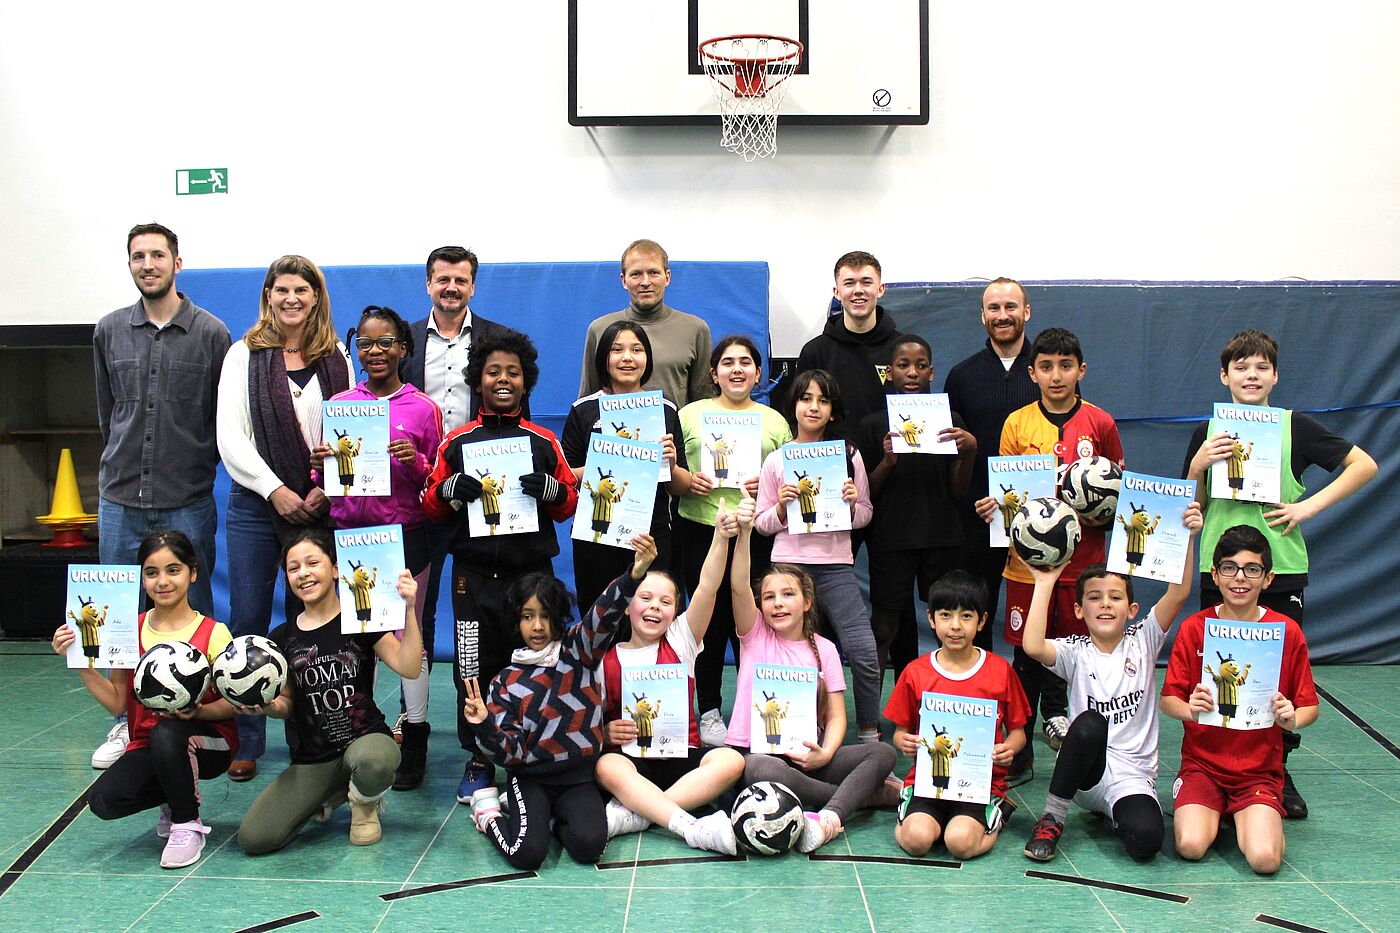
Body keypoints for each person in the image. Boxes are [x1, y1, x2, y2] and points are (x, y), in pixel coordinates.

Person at [1182, 328, 1375, 818]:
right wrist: (1196, 469)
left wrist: (1307, 508)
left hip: (1281, 568)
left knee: (1276, 679)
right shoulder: (1207, 433)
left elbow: (1364, 465)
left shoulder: (1295, 427)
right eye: (1241, 367)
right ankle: (1211, 773)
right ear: (1224, 376)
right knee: (1219, 676)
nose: (1252, 375)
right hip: (1218, 571)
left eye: (1261, 367)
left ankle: (1276, 773)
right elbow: (1191, 508)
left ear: (1275, 376)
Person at [90, 223, 231, 770]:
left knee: (195, 615)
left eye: (157, 255)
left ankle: (205, 719)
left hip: (187, 497)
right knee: (121, 617)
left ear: (177, 262)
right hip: (120, 497)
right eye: (137, 256)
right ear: (130, 264)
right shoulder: (107, 332)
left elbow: (219, 421)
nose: (147, 264)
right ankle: (125, 721)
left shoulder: (211, 333)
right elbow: (109, 414)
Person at [422, 329, 578, 804]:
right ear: (478, 380)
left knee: (536, 659)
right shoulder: (457, 440)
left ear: (526, 380)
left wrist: (552, 492)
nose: (503, 379)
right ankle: (480, 755)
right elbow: (430, 501)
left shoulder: (544, 440)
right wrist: (449, 493)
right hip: (472, 578)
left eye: (512, 372)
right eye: (493, 372)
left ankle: (535, 746)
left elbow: (569, 501)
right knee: (473, 665)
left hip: (530, 576)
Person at [216, 255, 352, 782]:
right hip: (257, 504)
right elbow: (230, 438)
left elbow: (349, 430)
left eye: (302, 289)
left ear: (316, 297)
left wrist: (321, 489)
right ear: (268, 296)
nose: (291, 298)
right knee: (249, 622)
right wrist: (276, 491)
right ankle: (247, 738)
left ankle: (313, 736)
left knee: (313, 627)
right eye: (281, 289)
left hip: (319, 509)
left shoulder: (337, 356)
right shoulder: (241, 357)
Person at [974, 326, 1124, 776]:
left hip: (1085, 569)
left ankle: (1076, 732)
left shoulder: (1101, 423)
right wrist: (994, 506)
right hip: (1027, 565)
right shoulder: (1017, 423)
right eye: (1046, 367)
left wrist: (1100, 511)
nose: (1056, 376)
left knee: (1077, 649)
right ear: (1032, 372)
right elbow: (1006, 493)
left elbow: (1119, 492)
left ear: (1081, 370)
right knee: (1025, 652)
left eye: (1065, 366)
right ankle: (1019, 744)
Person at [1019, 503, 1202, 864]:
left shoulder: (1145, 639)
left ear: (1131, 610)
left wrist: (1188, 537)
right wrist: (1044, 582)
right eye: (1094, 598)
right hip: (1089, 772)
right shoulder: (1075, 651)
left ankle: (1114, 816)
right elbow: (1033, 646)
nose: (1105, 605)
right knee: (1088, 724)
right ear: (1078, 611)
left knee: (1147, 842)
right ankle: (1053, 816)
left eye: (1115, 598)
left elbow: (1178, 593)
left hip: (1133, 776)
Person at [463, 536, 659, 869]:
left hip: (579, 778)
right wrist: (484, 723)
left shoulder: (578, 650)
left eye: (545, 615)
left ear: (558, 616)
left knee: (589, 847)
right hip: (531, 778)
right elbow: (507, 752)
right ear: (517, 621)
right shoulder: (506, 682)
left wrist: (635, 573)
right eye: (527, 616)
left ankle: (547, 822)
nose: (537, 626)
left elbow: (604, 612)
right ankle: (489, 814)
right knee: (526, 855)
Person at [310, 306, 443, 791]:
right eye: (366, 343)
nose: (376, 351)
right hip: (350, 538)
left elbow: (436, 481)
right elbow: (322, 480)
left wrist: (417, 459)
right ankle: (360, 727)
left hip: (406, 535)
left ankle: (417, 733)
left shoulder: (422, 408)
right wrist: (318, 462)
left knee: (409, 633)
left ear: (403, 349)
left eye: (386, 342)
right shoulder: (341, 404)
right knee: (355, 636)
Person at [52, 531, 237, 868]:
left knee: (167, 735)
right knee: (105, 801)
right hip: (147, 744)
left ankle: (186, 823)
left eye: (173, 570)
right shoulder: (127, 629)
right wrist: (80, 662)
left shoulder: (214, 632)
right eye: (152, 573)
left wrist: (199, 710)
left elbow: (232, 704)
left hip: (211, 743)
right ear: (141, 578)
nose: (162, 581)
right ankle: (175, 789)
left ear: (193, 573)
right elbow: (118, 704)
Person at [727, 491, 899, 854]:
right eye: (769, 597)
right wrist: (743, 533)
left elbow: (837, 717)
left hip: (809, 757)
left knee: (882, 754)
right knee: (760, 771)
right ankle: (860, 799)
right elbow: (738, 585)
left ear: (806, 602)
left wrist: (825, 754)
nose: (777, 603)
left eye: (787, 595)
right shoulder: (754, 636)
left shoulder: (825, 649)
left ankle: (830, 817)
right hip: (761, 755)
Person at [399, 246, 520, 751]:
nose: (451, 288)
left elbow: (515, 418)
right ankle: (415, 730)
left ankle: (498, 729)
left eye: (461, 280)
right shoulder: (401, 340)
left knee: (490, 620)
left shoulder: (496, 341)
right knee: (415, 615)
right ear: (428, 284)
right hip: (420, 498)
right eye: (442, 279)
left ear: (473, 286)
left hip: (481, 500)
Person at [238, 530, 423, 853]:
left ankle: (364, 803)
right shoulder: (282, 637)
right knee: (255, 839)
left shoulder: (360, 622)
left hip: (365, 742)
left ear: (335, 569)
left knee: (375, 761)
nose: (304, 573)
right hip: (314, 757)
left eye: (313, 563)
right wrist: (267, 707)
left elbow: (409, 667)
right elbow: (288, 705)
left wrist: (409, 609)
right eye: (293, 568)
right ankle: (333, 791)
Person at [1160, 525, 1319, 875]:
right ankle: (1217, 812)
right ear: (1215, 575)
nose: (1240, 578)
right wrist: (1190, 708)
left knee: (1264, 861)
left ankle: (1256, 819)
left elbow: (1310, 707)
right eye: (1229, 568)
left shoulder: (1286, 632)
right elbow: (1168, 701)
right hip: (1203, 766)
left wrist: (1291, 718)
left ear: (1268, 578)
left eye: (1252, 569)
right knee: (1190, 846)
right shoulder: (1194, 628)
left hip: (1257, 772)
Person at [595, 509, 746, 855]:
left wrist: (721, 537)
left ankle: (640, 814)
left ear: (676, 611)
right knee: (606, 765)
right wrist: (604, 732)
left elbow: (708, 586)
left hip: (683, 762)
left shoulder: (681, 640)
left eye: (666, 602)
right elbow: (591, 721)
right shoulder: (607, 656)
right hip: (634, 762)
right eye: (645, 598)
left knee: (731, 762)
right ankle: (686, 824)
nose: (654, 607)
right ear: (629, 604)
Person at [678, 336, 792, 746]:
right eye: (728, 363)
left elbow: (787, 480)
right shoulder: (691, 415)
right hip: (700, 530)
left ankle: (751, 707)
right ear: (714, 373)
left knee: (753, 623)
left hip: (755, 532)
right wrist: (689, 482)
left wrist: (768, 482)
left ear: (759, 373)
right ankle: (708, 710)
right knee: (708, 623)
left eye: (746, 362)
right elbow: (672, 475)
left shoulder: (775, 421)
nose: (737, 369)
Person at [755, 369, 880, 741]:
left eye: (823, 400)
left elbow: (864, 517)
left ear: (833, 409)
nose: (814, 407)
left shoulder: (849, 455)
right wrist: (780, 508)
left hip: (836, 566)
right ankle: (794, 732)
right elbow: (762, 523)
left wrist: (852, 503)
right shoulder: (777, 460)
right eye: (806, 399)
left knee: (863, 650)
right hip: (788, 568)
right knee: (790, 654)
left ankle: (869, 734)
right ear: (793, 405)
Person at [883, 571, 1028, 859]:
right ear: (931, 619)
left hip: (980, 783)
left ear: (982, 620)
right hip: (926, 781)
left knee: (960, 844)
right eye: (946, 615)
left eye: (966, 616)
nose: (955, 626)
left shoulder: (1000, 671)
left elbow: (1018, 734)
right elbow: (900, 732)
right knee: (916, 841)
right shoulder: (915, 672)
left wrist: (1007, 750)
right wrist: (905, 742)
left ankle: (995, 812)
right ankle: (917, 816)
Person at [859, 335, 977, 684]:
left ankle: (944, 701)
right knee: (884, 627)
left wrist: (969, 451)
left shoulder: (950, 419)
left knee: (949, 623)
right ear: (889, 373)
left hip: (941, 537)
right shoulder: (873, 424)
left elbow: (957, 490)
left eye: (920, 365)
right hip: (891, 540)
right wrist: (886, 462)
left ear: (931, 372)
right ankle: (870, 720)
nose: (912, 372)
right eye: (903, 365)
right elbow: (865, 492)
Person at [563, 320, 692, 613]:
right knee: (598, 621)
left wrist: (670, 463)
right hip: (596, 537)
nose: (627, 358)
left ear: (647, 358)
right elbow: (565, 478)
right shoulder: (583, 410)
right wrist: (607, 459)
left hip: (652, 535)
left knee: (652, 618)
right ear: (603, 358)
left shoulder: (666, 410)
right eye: (616, 349)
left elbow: (682, 486)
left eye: (636, 349)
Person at [943, 278, 1040, 647]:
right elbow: (952, 454)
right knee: (972, 614)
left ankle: (1030, 700)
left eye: (1010, 307)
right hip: (976, 518)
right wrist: (968, 501)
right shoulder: (962, 376)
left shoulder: (1047, 372)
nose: (1003, 315)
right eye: (994, 308)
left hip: (1035, 517)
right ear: (982, 316)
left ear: (1026, 312)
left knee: (1036, 618)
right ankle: (973, 694)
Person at [578, 239, 714, 409]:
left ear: (667, 277)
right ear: (624, 280)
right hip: (616, 434)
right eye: (636, 274)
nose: (645, 282)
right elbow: (588, 400)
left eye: (653, 273)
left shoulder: (695, 329)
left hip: (675, 434)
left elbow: (704, 404)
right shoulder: (599, 329)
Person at [793, 251, 904, 442]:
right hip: (834, 464)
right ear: (836, 292)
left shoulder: (903, 349)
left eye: (867, 282)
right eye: (849, 283)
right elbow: (800, 418)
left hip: (891, 462)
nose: (858, 290)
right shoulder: (815, 352)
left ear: (881, 289)